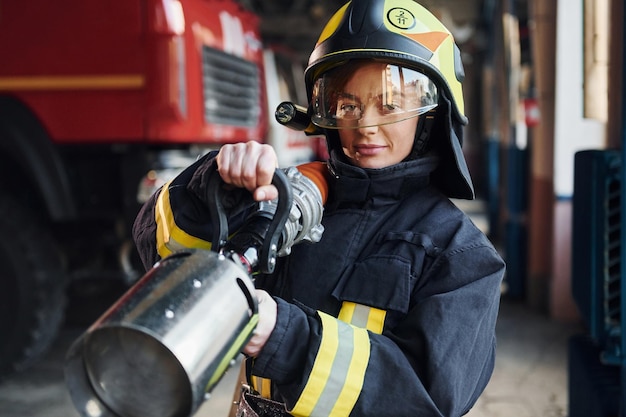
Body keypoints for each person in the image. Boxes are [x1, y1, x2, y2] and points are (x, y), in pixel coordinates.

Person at [132, 0, 505, 415]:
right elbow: (163, 261)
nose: (365, 125)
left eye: (391, 105)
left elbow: (425, 398)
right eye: (347, 106)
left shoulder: (461, 256)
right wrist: (214, 189)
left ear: (432, 115)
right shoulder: (290, 202)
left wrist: (282, 336)